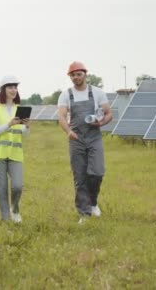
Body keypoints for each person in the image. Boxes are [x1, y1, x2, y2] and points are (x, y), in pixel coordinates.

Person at [57, 61, 112, 223]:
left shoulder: (97, 93)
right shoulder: (66, 95)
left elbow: (108, 114)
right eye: (73, 75)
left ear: (85, 74)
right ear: (70, 77)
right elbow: (61, 116)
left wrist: (100, 123)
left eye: (78, 74)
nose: (76, 77)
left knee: (97, 172)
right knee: (79, 176)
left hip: (94, 137)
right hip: (76, 139)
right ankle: (84, 213)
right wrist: (68, 131)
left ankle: (93, 202)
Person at [0, 75, 30, 223]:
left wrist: (27, 126)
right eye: (10, 87)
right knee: (2, 188)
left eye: (15, 87)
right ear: (3, 90)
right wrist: (10, 124)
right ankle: (5, 219)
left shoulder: (19, 109)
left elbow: (24, 133)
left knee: (17, 186)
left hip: (15, 154)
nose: (14, 90)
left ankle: (15, 210)